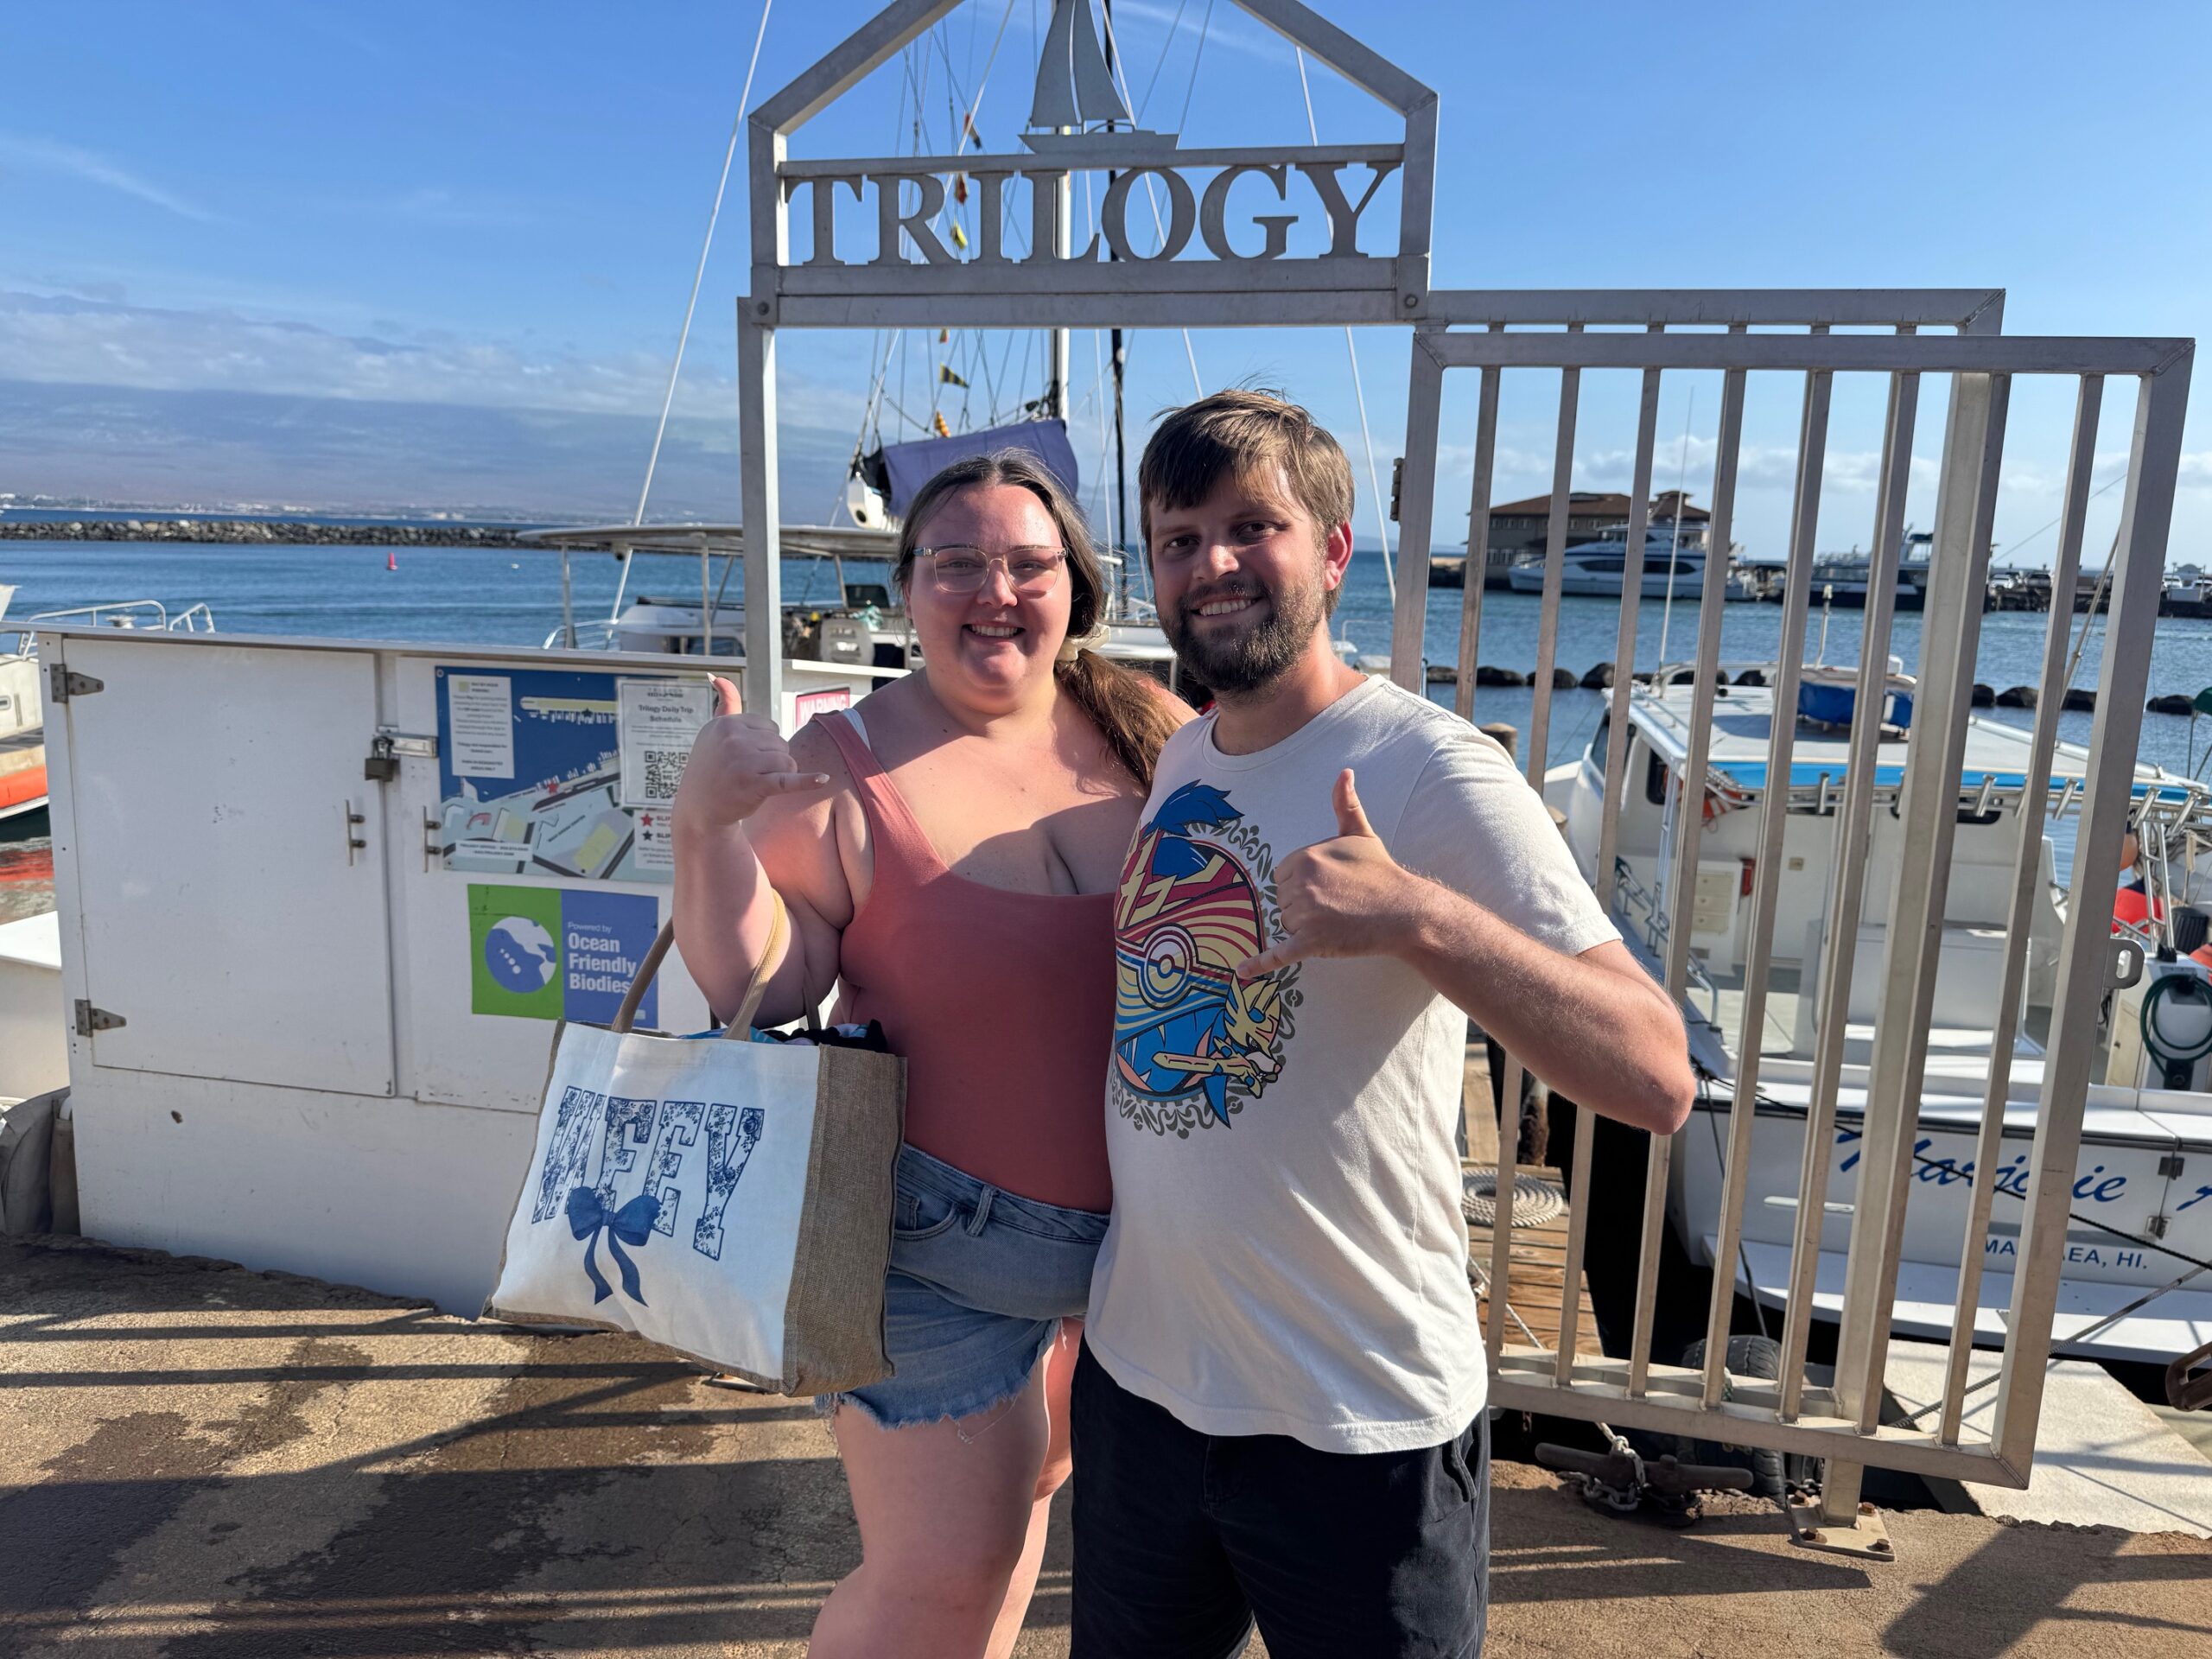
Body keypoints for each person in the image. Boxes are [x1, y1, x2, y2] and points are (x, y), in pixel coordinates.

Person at [1071, 390, 1697, 1658]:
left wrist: (1421, 918)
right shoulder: (1188, 757)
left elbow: (1655, 1073)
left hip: (1356, 1421)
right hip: (1144, 1390)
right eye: (1181, 538)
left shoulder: (1429, 768)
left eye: (1256, 526)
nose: (1215, 565)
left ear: (1336, 551)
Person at [671, 450, 1185, 1659]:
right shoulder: (838, 765)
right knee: (940, 1583)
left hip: (1145, 1255)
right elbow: (767, 983)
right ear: (907, 590)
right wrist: (704, 827)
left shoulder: (1149, 728)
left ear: (1077, 587)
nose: (992, 589)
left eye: (1026, 563)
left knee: (1020, 1536)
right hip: (936, 1255)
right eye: (957, 562)